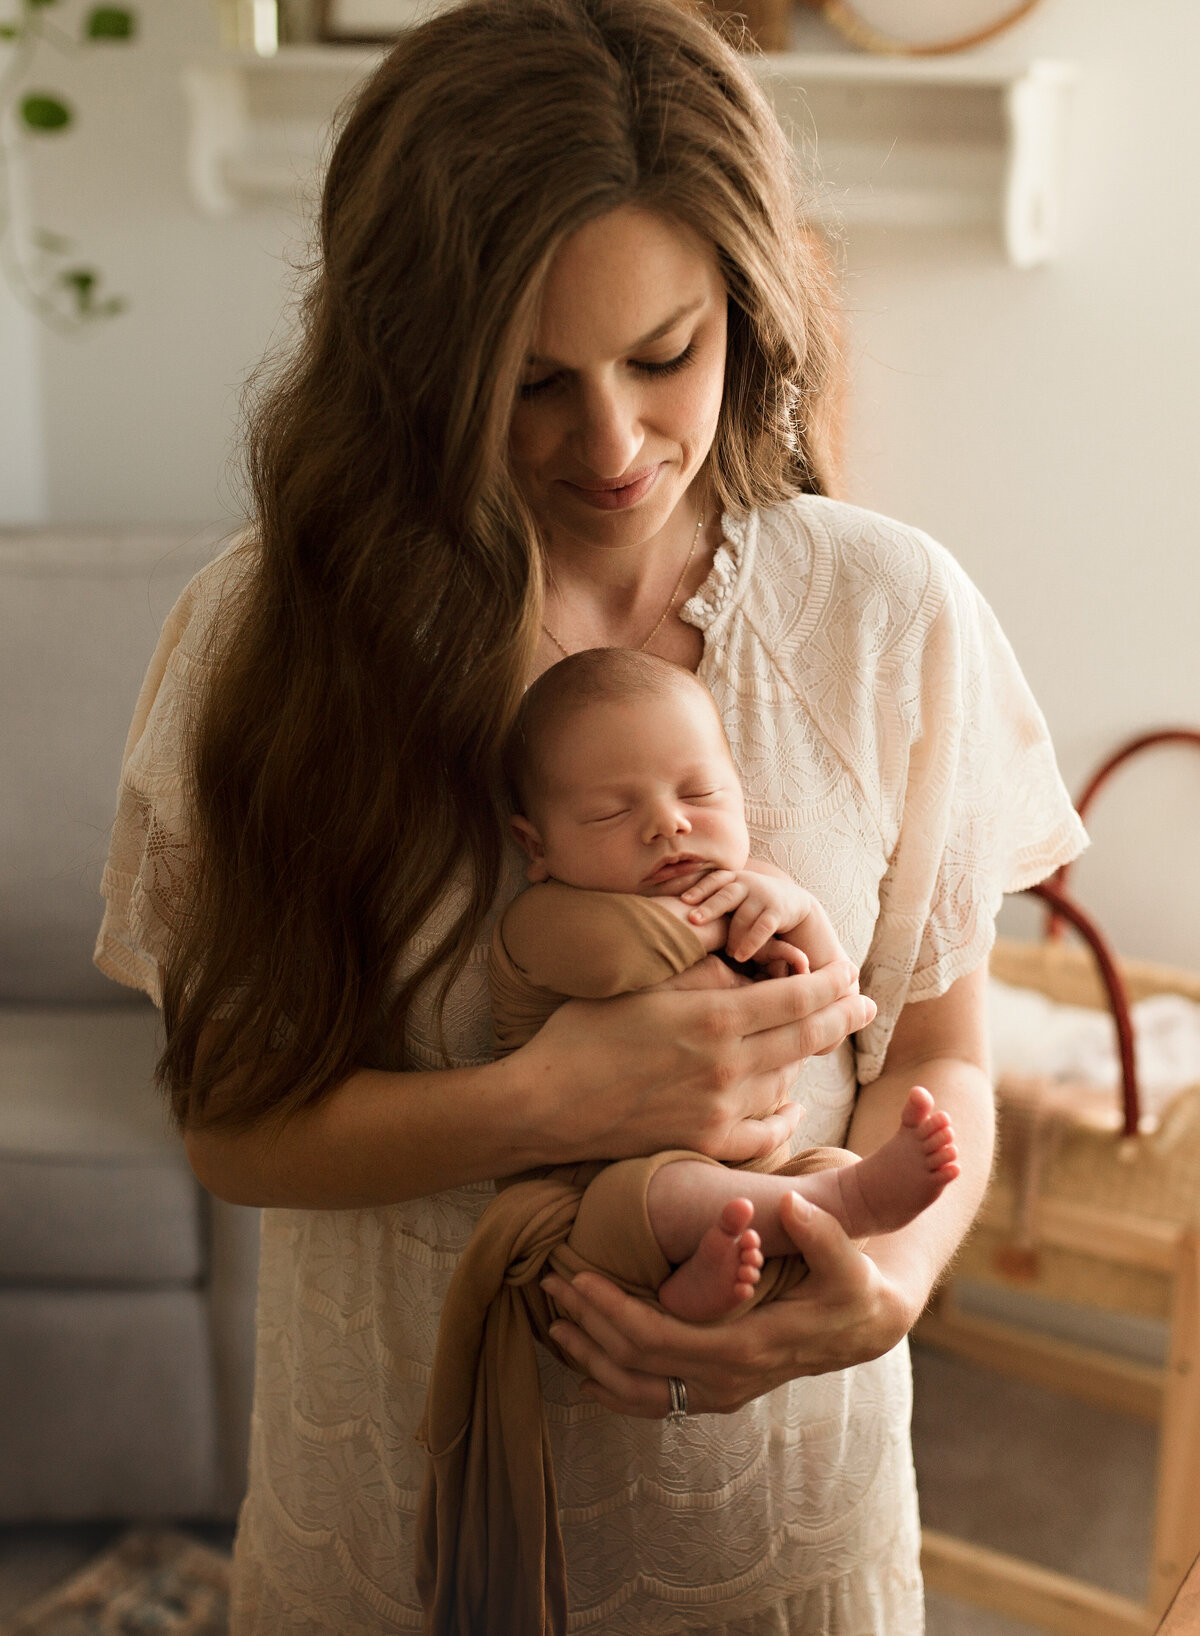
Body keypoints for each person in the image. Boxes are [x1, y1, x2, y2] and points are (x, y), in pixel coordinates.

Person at [91, 0, 1087, 1629]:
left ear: (747, 307)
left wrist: (880, 1289)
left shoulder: (889, 617)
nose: (614, 444)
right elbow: (227, 1123)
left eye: (663, 355)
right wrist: (540, 1097)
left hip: (785, 1541)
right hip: (394, 1544)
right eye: (533, 380)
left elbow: (938, 1052)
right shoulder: (269, 638)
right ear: (413, 361)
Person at [493, 647, 961, 1324]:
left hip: (752, 1175)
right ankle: (841, 1205)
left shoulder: (756, 896)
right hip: (594, 1207)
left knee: (814, 1165)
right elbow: (617, 958)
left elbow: (840, 1000)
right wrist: (729, 920)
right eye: (607, 814)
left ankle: (718, 1280)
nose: (667, 824)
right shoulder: (546, 921)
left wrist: (799, 914)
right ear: (536, 848)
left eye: (700, 795)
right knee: (665, 1193)